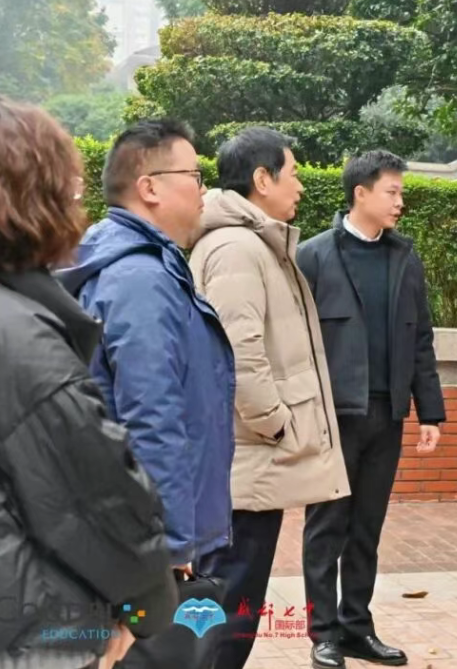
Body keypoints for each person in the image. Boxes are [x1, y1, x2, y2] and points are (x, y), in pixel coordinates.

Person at [0, 99, 178, 669]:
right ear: (30, 199)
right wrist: (146, 608)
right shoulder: (14, 335)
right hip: (22, 634)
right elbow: (97, 503)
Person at [55, 120, 236, 664]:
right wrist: (170, 546)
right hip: (142, 541)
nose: (203, 189)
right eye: (194, 175)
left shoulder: (141, 265)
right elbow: (151, 416)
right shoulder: (139, 279)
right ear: (149, 186)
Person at [187, 126, 351, 668]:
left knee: (229, 607)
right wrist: (276, 424)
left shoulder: (252, 243)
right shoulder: (237, 249)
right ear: (262, 178)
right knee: (225, 613)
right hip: (246, 464)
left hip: (248, 463)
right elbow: (239, 353)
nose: (300, 185)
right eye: (294, 172)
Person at [297, 150, 446, 668]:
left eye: (401, 192)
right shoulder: (314, 256)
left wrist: (430, 412)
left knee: (367, 527)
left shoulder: (405, 258)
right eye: (392, 192)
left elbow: (421, 338)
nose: (400, 202)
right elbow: (296, 341)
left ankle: (356, 628)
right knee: (326, 526)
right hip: (334, 417)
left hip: (388, 415)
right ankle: (323, 633)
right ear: (360, 193)